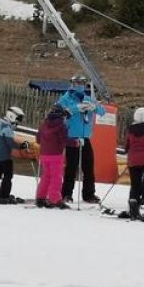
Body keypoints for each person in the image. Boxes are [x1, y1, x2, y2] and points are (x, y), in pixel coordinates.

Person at [58, 74, 106, 204]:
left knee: (88, 166)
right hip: (72, 137)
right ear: (72, 84)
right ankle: (66, 193)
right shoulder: (66, 98)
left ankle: (89, 194)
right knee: (71, 167)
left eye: (82, 83)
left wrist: (94, 107)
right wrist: (76, 108)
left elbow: (102, 111)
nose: (79, 86)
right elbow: (58, 112)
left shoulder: (88, 98)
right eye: (77, 83)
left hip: (85, 137)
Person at [0, 106, 29, 204]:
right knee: (7, 176)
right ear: (12, 116)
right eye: (18, 119)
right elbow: (11, 144)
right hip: (5, 158)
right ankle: (3, 196)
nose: (18, 122)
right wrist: (22, 146)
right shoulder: (7, 128)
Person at [35, 105, 70, 209]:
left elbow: (38, 139)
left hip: (44, 154)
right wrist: (76, 142)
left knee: (46, 176)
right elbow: (65, 140)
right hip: (56, 155)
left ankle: (40, 197)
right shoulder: (61, 125)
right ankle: (54, 199)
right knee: (56, 178)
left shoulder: (44, 124)